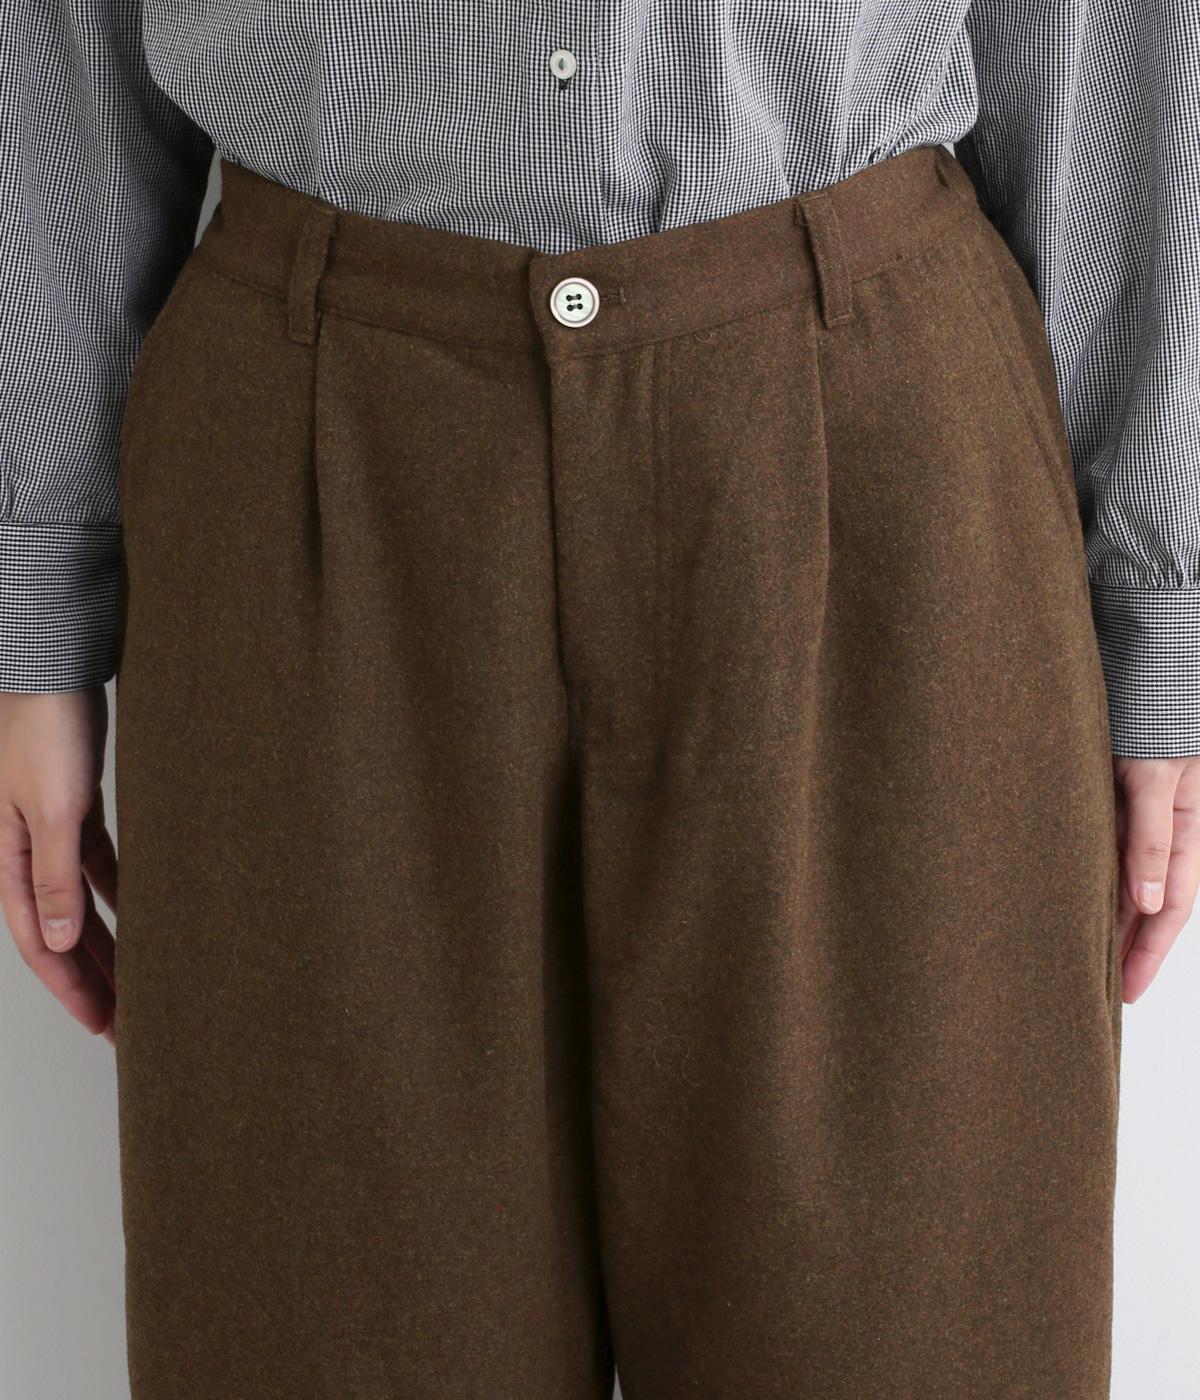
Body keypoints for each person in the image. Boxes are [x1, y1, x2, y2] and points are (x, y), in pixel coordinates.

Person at [0, 5, 1196, 1398]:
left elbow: (1100, 34)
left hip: (878, 472)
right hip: (308, 476)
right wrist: (42, 603)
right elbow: (58, 43)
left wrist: (1159, 599)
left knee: (910, 1342)